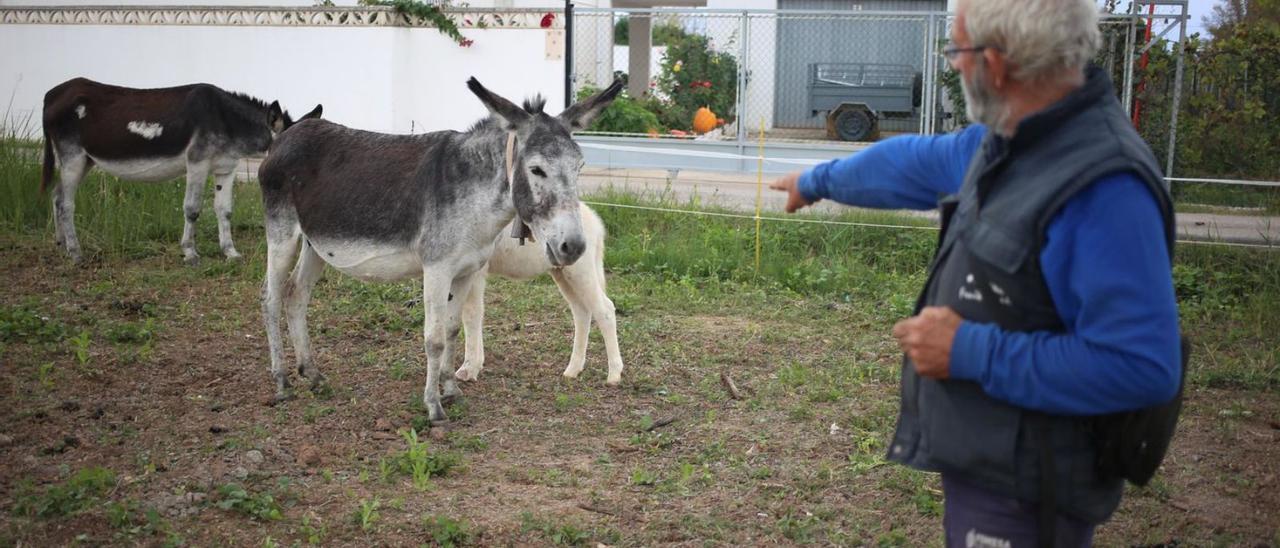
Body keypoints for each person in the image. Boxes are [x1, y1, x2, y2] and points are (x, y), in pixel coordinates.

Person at [770, 0, 1182, 546]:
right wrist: (818, 180)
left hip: (1031, 490)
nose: (954, 64)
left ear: (994, 62)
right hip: (993, 463)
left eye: (957, 50)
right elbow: (913, 162)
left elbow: (1141, 367)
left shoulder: (1104, 184)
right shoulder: (1014, 139)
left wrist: (969, 351)